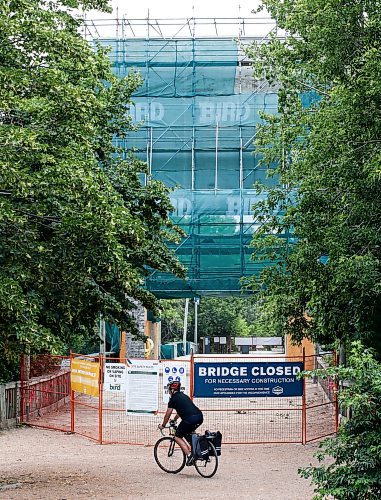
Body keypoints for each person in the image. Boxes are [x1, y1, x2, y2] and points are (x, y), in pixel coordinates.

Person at [159, 381, 203, 465]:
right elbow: (180, 411)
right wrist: (175, 419)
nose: (168, 392)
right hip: (199, 417)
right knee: (187, 432)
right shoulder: (184, 396)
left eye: (169, 390)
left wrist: (163, 425)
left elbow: (167, 415)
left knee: (177, 436)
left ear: (172, 390)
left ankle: (190, 456)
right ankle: (195, 449)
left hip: (190, 419)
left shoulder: (173, 399)